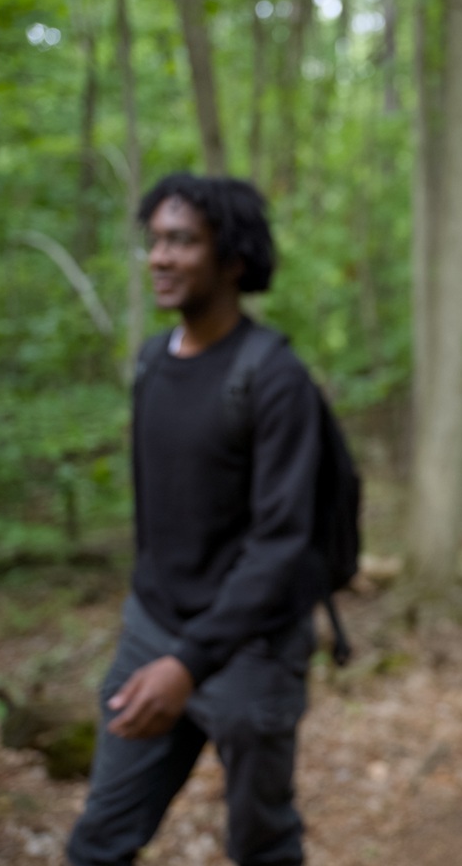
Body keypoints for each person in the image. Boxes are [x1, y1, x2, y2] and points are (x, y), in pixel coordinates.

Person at [68, 174, 321, 866]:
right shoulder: (152, 362)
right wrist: (158, 639)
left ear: (232, 259)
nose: (159, 257)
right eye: (155, 240)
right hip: (152, 633)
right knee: (98, 842)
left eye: (182, 241)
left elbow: (281, 544)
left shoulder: (274, 378)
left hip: (252, 650)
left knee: (264, 846)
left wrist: (190, 662)